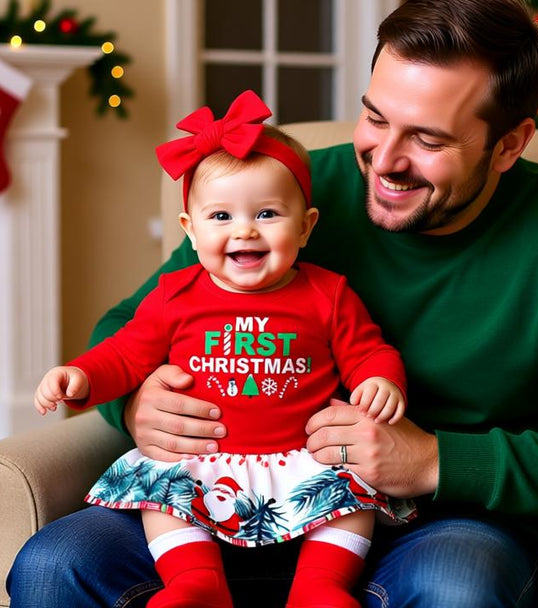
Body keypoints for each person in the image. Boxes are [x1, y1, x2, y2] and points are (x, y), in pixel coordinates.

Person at [8, 1, 538, 606]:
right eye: (375, 118)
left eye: (428, 139)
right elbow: (130, 327)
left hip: (440, 522)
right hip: (213, 503)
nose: (384, 160)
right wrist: (136, 404)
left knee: (457, 588)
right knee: (53, 564)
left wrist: (432, 461)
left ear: (508, 144)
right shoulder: (284, 192)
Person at [31, 89, 413, 608]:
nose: (245, 230)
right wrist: (80, 376)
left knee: (351, 499)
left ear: (306, 226)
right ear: (189, 230)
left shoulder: (328, 294)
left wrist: (381, 379)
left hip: (303, 457)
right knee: (162, 496)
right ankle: (195, 581)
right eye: (220, 217)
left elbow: (369, 350)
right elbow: (125, 356)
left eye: (268, 213)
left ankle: (321, 585)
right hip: (202, 458)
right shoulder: (175, 294)